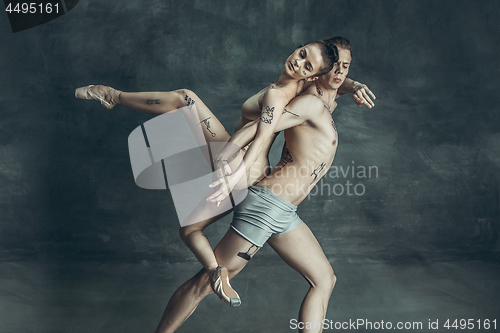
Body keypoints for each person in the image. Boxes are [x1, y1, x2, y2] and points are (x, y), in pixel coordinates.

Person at [75, 37, 374, 307]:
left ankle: (113, 95)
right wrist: (354, 86)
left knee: (185, 99)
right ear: (298, 49)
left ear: (311, 75)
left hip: (245, 164)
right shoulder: (298, 85)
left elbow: (259, 137)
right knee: (190, 227)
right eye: (301, 53)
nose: (298, 62)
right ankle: (216, 271)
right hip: (241, 163)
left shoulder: (281, 95)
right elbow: (335, 82)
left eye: (307, 65)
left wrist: (235, 169)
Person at [153, 36, 374, 333]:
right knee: (204, 283)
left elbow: (338, 84)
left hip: (285, 212)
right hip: (267, 204)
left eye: (345, 68)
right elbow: (260, 128)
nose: (340, 74)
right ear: (317, 74)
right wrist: (229, 156)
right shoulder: (309, 103)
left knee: (324, 279)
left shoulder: (327, 100)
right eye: (335, 68)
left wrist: (354, 85)